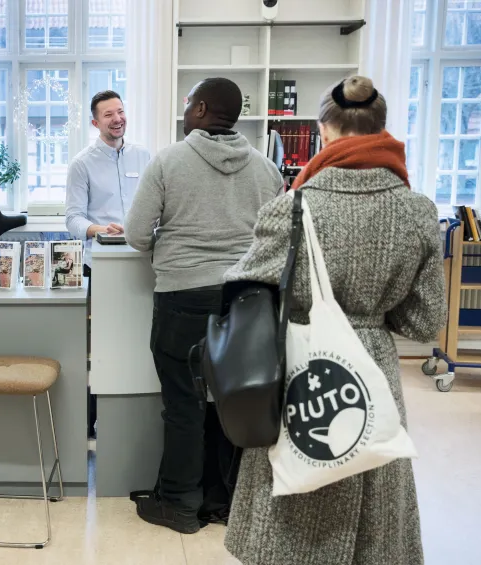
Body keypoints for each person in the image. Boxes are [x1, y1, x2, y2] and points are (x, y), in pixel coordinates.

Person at [222, 76, 446, 564]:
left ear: (324, 131)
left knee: (296, 493)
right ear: (382, 128)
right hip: (373, 374)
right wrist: (373, 306)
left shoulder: (292, 208)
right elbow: (425, 322)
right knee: (374, 508)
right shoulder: (417, 212)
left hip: (307, 369)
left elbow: (245, 287)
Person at [124, 78, 284, 534]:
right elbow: (276, 238)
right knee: (230, 401)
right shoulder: (265, 168)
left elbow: (136, 234)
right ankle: (221, 502)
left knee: (183, 404)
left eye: (188, 101)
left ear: (202, 109)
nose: (184, 108)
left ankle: (178, 502)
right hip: (245, 300)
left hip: (182, 297)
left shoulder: (168, 161)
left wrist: (170, 243)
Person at [65, 90, 151, 438]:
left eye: (121, 111)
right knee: (101, 345)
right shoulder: (82, 164)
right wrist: (100, 229)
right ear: (94, 122)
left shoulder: (145, 157)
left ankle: (132, 417)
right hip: (98, 266)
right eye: (108, 114)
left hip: (141, 263)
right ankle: (92, 420)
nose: (118, 119)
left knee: (136, 341)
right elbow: (72, 219)